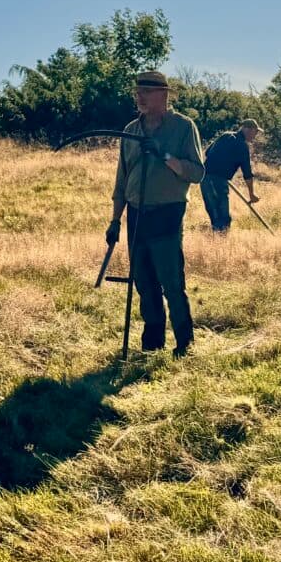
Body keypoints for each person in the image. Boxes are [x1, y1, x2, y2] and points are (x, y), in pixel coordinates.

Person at [106, 72, 205, 357]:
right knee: (144, 282)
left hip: (168, 213)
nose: (140, 97)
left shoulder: (183, 127)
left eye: (146, 92)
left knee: (171, 282)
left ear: (164, 95)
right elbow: (122, 179)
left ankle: (184, 343)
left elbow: (197, 173)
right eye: (137, 92)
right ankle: (152, 344)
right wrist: (115, 220)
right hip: (136, 215)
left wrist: (164, 156)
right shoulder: (130, 131)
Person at [200, 119, 263, 233]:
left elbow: (208, 152)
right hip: (218, 181)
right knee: (223, 218)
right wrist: (251, 194)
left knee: (215, 214)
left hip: (204, 178)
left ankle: (216, 239)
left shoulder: (225, 136)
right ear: (247, 129)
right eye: (255, 132)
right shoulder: (242, 146)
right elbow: (247, 173)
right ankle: (222, 240)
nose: (255, 135)